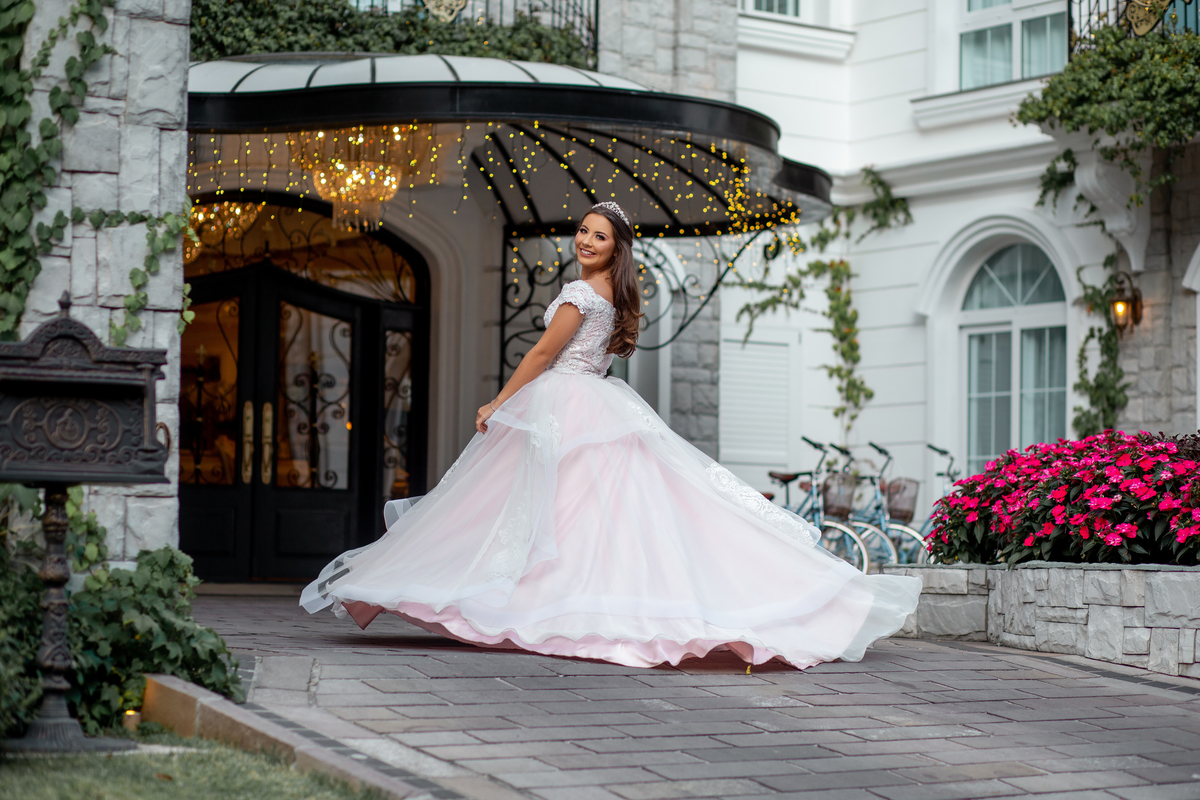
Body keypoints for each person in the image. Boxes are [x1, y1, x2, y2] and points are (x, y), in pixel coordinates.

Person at [300, 201, 921, 669]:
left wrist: (499, 399)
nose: (586, 241)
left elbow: (543, 353)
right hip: (596, 401)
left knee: (541, 506)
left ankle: (540, 597)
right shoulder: (613, 295)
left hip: (563, 399)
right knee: (580, 508)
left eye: (599, 236)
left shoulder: (578, 292)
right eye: (583, 231)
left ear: (616, 247)